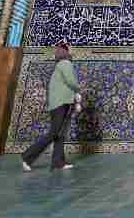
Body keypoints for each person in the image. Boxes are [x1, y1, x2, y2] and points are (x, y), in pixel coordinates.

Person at [22, 41, 81, 171]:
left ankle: (58, 162)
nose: (72, 50)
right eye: (70, 48)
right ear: (67, 51)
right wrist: (79, 90)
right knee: (54, 133)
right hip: (62, 103)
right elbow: (71, 81)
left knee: (59, 134)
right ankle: (27, 157)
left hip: (59, 103)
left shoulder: (59, 65)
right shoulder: (66, 63)